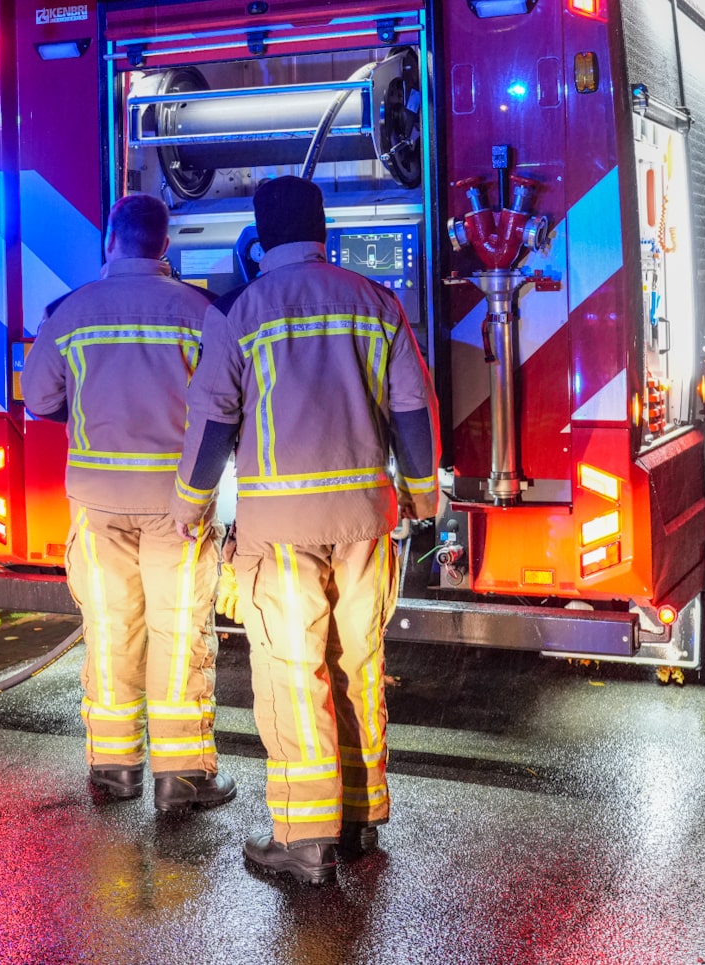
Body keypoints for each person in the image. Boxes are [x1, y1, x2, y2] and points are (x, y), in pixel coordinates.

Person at [171, 175, 440, 885]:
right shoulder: (376, 303)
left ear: (260, 237)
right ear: (324, 230)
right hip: (363, 521)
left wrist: (191, 502)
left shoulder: (242, 311)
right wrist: (420, 494)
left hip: (280, 531)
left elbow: (215, 422)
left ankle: (304, 837)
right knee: (358, 662)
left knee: (294, 672)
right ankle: (360, 815)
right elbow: (412, 409)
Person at [23, 193, 232, 813]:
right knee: (178, 630)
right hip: (177, 501)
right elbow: (225, 403)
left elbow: (39, 399)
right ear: (165, 246)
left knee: (112, 628)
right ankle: (183, 776)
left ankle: (114, 769)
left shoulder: (71, 311)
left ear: (109, 242)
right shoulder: (199, 312)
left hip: (98, 500)